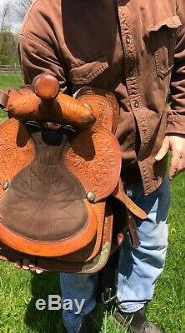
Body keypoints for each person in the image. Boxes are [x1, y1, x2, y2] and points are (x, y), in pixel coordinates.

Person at [16, 1, 185, 332]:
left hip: (152, 155)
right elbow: (44, 127)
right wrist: (34, 225)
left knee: (149, 241)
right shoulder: (46, 22)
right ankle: (77, 319)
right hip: (82, 170)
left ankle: (131, 310)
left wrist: (179, 125)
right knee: (77, 251)